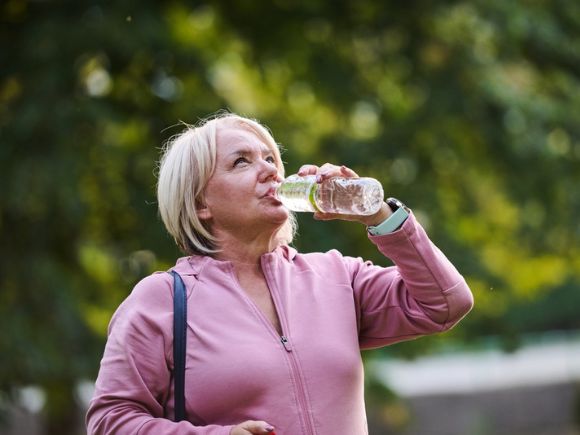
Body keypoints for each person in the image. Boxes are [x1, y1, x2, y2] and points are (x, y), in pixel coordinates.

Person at [86, 112, 474, 435]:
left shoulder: (337, 276)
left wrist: (378, 214)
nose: (269, 171)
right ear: (201, 202)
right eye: (242, 161)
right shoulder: (163, 301)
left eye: (270, 159)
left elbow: (445, 302)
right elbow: (110, 423)